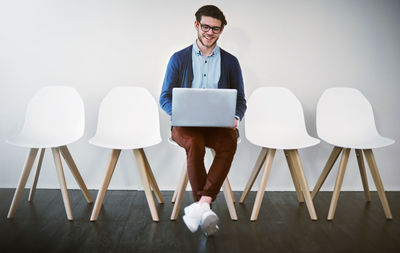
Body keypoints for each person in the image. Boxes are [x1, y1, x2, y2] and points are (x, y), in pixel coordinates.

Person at [159, 5, 246, 236]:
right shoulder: (178, 59)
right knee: (194, 143)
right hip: (186, 126)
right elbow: (165, 97)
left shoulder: (230, 62)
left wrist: (235, 117)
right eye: (206, 26)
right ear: (197, 25)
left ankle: (202, 205)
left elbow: (241, 100)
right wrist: (177, 113)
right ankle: (205, 206)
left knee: (230, 142)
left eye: (215, 29)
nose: (210, 32)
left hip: (218, 126)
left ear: (222, 30)